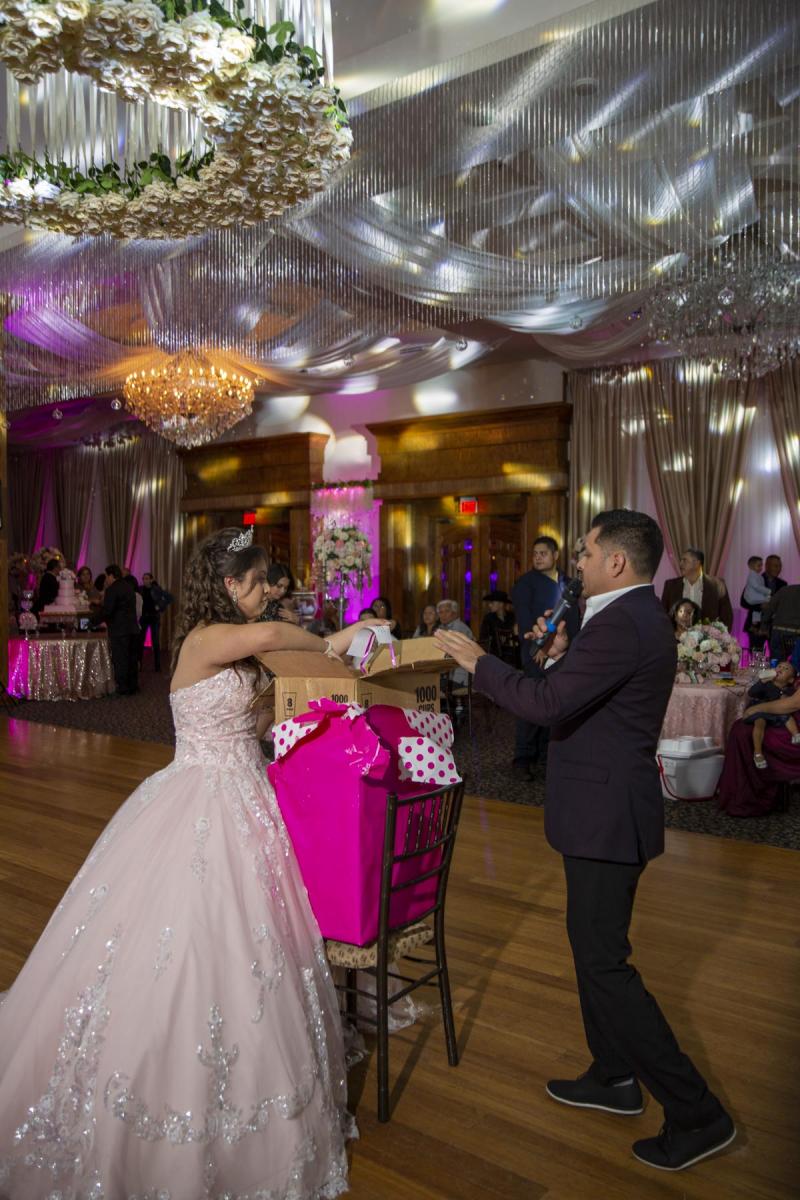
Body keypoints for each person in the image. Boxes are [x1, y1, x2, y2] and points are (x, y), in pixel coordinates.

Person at [0, 527, 386, 1195]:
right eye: (259, 584)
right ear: (231, 584)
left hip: (248, 794)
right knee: (187, 939)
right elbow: (274, 634)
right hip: (200, 799)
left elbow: (250, 719)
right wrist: (343, 636)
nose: (268, 594)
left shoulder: (235, 646)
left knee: (255, 940)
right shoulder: (206, 638)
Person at [434, 509, 735, 1172]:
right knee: (590, 948)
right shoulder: (629, 617)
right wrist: (564, 657)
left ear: (616, 562)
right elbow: (578, 695)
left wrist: (477, 661)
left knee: (604, 963)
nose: (578, 562)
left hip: (607, 812)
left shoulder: (625, 622)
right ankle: (613, 1075)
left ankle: (698, 1113)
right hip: (601, 806)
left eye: (586, 552)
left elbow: (545, 707)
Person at [510, 536, 580, 779]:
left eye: (543, 553)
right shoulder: (525, 583)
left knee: (557, 702)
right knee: (532, 703)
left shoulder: (568, 583)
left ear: (555, 555)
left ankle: (546, 754)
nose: (538, 558)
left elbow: (574, 617)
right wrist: (537, 647)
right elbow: (524, 618)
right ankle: (522, 758)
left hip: (564, 653)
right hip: (537, 652)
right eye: (535, 554)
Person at [743, 661, 800, 767]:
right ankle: (758, 753)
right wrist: (762, 681)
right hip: (761, 711)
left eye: (786, 668)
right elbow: (751, 693)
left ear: (791, 680)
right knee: (759, 723)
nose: (781, 669)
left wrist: (784, 696)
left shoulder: (789, 690)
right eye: (779, 666)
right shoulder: (766, 684)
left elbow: (790, 703)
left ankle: (796, 735)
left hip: (776, 712)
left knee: (788, 716)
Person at [661, 548, 733, 628]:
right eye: (681, 560)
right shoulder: (670, 585)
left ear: (697, 563)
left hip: (708, 635)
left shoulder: (717, 585)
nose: (680, 564)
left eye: (684, 560)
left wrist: (718, 634)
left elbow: (727, 617)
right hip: (676, 635)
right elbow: (663, 614)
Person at [102, 563, 141, 696]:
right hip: (133, 628)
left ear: (111, 576)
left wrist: (93, 622)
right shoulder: (129, 587)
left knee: (120, 659)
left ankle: (123, 687)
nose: (106, 579)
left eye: (106, 576)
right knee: (132, 659)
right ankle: (133, 686)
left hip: (119, 630)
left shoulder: (112, 590)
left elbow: (107, 611)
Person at [139, 572, 174, 672]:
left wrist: (159, 606)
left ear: (151, 579)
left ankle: (157, 666)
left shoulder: (156, 589)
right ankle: (139, 664)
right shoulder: (140, 589)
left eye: (147, 578)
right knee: (140, 641)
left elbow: (170, 597)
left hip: (154, 617)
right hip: (144, 618)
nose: (145, 580)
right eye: (144, 578)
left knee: (155, 642)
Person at [436, 599, 474, 689]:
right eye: (440, 612)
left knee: (428, 684)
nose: (443, 615)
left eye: (447, 611)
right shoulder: (442, 628)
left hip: (460, 677)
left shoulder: (459, 629)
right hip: (448, 674)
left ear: (455, 613)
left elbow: (448, 654)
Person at [761, 582, 800, 664]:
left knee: (776, 663)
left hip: (778, 631)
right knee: (794, 666)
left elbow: (769, 607)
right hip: (796, 633)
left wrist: (764, 627)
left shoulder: (785, 589)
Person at [740, 556, 773, 651]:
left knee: (775, 653)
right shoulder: (754, 577)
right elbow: (743, 602)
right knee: (756, 652)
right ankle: (754, 625)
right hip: (756, 628)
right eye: (759, 565)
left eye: (761, 565)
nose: (761, 567)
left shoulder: (782, 583)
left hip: (772, 626)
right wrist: (760, 606)